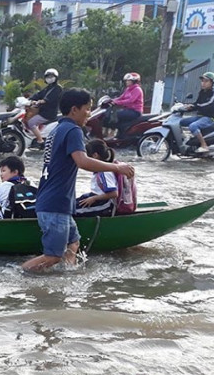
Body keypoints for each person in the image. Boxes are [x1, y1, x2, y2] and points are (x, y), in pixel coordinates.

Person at [21, 88, 135, 272]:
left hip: (54, 201)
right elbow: (82, 161)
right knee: (53, 256)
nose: (89, 114)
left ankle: (66, 278)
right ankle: (19, 275)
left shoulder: (57, 129)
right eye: (88, 109)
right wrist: (116, 167)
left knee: (73, 243)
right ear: (74, 109)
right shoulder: (73, 129)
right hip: (55, 204)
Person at [75, 139, 118, 217]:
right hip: (94, 197)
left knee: (71, 212)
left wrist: (94, 198)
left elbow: (114, 193)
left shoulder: (104, 172)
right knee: (67, 207)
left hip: (104, 205)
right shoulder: (99, 170)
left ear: (95, 155)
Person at [179, 71, 214, 153]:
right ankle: (184, 139)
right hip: (200, 116)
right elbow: (197, 103)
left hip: (210, 117)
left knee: (193, 126)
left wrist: (195, 106)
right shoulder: (202, 92)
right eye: (202, 81)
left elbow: (210, 104)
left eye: (206, 81)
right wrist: (187, 107)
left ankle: (204, 145)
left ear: (212, 82)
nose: (203, 83)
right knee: (180, 121)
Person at [27, 68, 63, 149]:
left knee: (31, 122)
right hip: (43, 111)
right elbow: (38, 94)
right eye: (48, 76)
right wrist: (29, 99)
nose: (50, 78)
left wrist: (41, 101)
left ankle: (40, 141)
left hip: (48, 113)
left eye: (51, 76)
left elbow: (49, 99)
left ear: (56, 77)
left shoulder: (58, 88)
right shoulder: (48, 88)